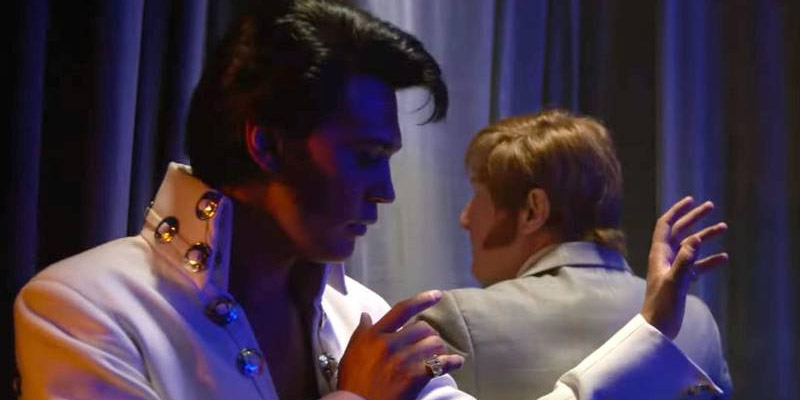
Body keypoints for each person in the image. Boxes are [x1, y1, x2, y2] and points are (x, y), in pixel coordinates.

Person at [14, 1, 728, 399]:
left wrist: (650, 331)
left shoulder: (360, 315)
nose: (385, 191)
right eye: (364, 156)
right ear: (267, 144)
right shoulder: (82, 308)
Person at [416, 110, 733, 399]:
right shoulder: (698, 322)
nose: (465, 218)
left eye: (478, 196)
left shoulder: (455, 321)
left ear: (533, 210)